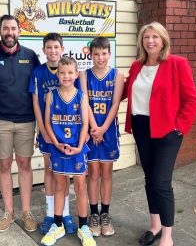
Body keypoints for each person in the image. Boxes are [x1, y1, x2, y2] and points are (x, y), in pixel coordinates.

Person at [122, 22, 196, 246]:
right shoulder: (137, 66)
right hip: (141, 127)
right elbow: (125, 91)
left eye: (155, 37)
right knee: (149, 179)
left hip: (167, 131)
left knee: (161, 182)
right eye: (146, 37)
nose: (150, 41)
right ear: (141, 41)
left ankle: (167, 235)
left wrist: (179, 128)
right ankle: (154, 225)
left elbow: (192, 100)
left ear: (163, 39)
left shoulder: (177, 64)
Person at [0, 14, 40, 233]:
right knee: (4, 165)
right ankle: (8, 212)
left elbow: (39, 88)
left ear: (19, 32)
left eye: (13, 28)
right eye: (6, 28)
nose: (9, 32)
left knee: (24, 165)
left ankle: (26, 211)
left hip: (26, 121)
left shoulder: (31, 57)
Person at [41, 57, 95, 246]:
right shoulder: (51, 95)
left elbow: (85, 124)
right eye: (62, 72)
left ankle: (83, 226)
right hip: (58, 147)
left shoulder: (81, 96)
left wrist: (80, 146)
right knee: (59, 186)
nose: (66, 76)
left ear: (76, 74)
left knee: (80, 186)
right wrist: (56, 144)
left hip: (77, 148)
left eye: (70, 72)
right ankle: (58, 225)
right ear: (58, 73)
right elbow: (47, 123)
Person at [28, 33, 77, 235]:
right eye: (49, 47)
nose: (53, 51)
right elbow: (36, 103)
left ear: (62, 49)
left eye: (56, 47)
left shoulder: (71, 72)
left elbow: (78, 102)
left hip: (66, 133)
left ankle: (64, 213)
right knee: (49, 170)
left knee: (63, 173)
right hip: (48, 133)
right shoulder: (38, 72)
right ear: (44, 49)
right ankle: (50, 214)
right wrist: (44, 130)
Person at [79, 37, 124, 237]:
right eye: (96, 54)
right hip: (90, 130)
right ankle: (94, 213)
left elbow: (115, 104)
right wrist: (94, 128)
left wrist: (103, 128)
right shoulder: (83, 75)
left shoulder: (118, 75)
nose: (100, 58)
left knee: (106, 173)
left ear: (109, 53)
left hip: (108, 132)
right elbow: (85, 102)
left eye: (104, 53)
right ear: (90, 54)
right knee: (93, 174)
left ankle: (105, 214)